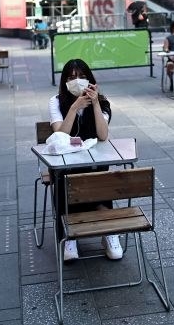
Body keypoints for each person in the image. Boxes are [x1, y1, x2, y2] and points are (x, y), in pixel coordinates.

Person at [48, 58, 122, 262]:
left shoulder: (102, 102)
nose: (77, 81)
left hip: (94, 162)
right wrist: (74, 108)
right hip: (65, 164)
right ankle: (69, 233)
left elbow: (103, 135)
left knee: (98, 176)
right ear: (64, 81)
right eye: (71, 77)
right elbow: (60, 135)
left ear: (90, 80)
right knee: (65, 178)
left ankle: (109, 232)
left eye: (81, 76)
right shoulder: (56, 102)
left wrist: (95, 103)